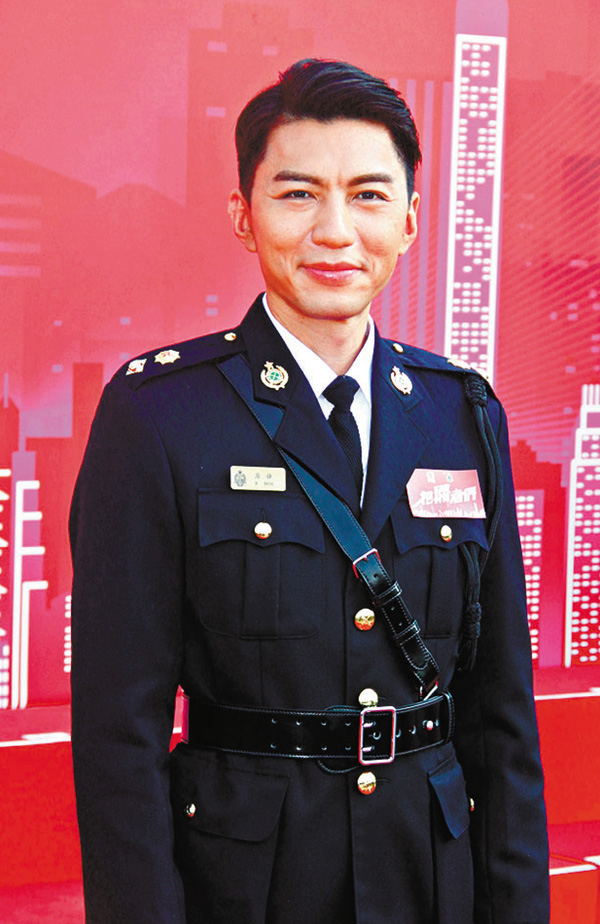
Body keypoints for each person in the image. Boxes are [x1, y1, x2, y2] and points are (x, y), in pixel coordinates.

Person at [70, 59, 549, 924]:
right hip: (247, 887)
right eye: (298, 195)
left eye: (368, 196)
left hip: (426, 878)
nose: (335, 231)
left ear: (409, 220)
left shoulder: (463, 414)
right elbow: (117, 743)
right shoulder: (159, 416)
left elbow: (501, 718)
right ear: (244, 216)